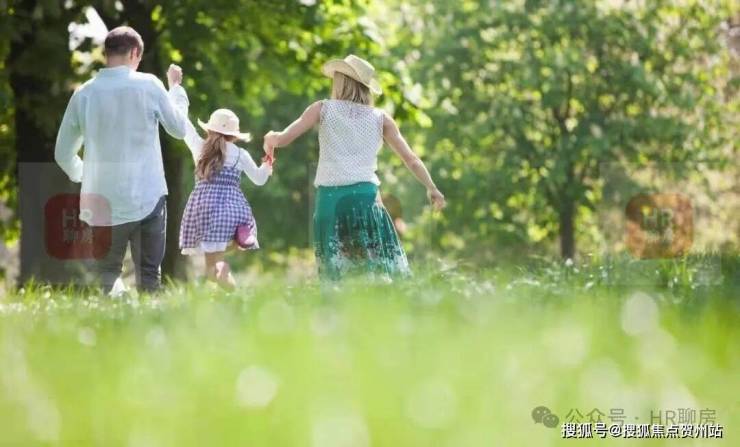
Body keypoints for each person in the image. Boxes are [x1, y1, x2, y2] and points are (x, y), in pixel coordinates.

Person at [263, 54, 445, 280]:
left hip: (331, 198)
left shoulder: (322, 109)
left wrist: (270, 139)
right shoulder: (381, 118)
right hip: (366, 197)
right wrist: (432, 187)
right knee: (375, 267)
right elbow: (411, 159)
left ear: (341, 81)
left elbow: (282, 139)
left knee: (336, 272)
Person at [54, 26, 188, 294]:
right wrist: (176, 90)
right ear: (135, 53)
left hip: (101, 200)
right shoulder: (149, 85)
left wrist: (85, 174)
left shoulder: (84, 93)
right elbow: (179, 129)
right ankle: (149, 318)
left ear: (107, 54)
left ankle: (113, 314)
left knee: (107, 274)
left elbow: (62, 154)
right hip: (147, 196)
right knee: (149, 275)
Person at [167, 68, 272, 289]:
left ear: (210, 130)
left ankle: (235, 292)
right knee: (215, 266)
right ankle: (234, 263)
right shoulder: (240, 154)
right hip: (232, 213)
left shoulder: (200, 148)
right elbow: (260, 179)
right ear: (234, 135)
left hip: (205, 212)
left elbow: (182, 121)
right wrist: (268, 163)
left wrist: (174, 87)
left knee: (211, 270)